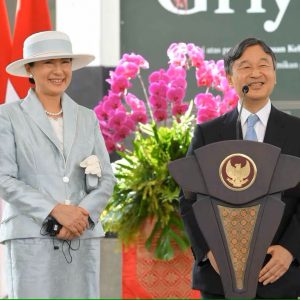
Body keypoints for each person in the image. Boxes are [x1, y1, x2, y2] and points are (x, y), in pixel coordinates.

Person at [180, 37, 300, 299]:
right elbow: (188, 201)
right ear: (229, 77)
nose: (256, 73)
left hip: (279, 274)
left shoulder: (297, 132)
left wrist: (290, 250)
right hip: (219, 276)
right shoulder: (207, 133)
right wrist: (209, 250)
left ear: (275, 75)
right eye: (245, 66)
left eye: (264, 65)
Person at [0, 30, 116, 298]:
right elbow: (4, 178)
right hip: (30, 237)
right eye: (48, 63)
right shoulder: (7, 116)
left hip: (82, 237)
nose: (58, 70)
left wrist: (82, 214)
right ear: (29, 68)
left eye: (65, 62)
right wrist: (55, 211)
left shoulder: (87, 118)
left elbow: (107, 178)